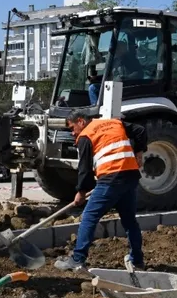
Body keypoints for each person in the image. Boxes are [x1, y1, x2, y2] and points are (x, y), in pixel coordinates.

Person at [54, 110, 148, 273]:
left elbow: (84, 169)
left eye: (72, 127)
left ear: (81, 122)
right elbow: (140, 130)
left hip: (111, 179)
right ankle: (137, 261)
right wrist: (138, 153)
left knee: (89, 217)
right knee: (129, 221)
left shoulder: (85, 136)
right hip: (130, 176)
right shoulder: (114, 123)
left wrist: (81, 192)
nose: (72, 132)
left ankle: (77, 260)